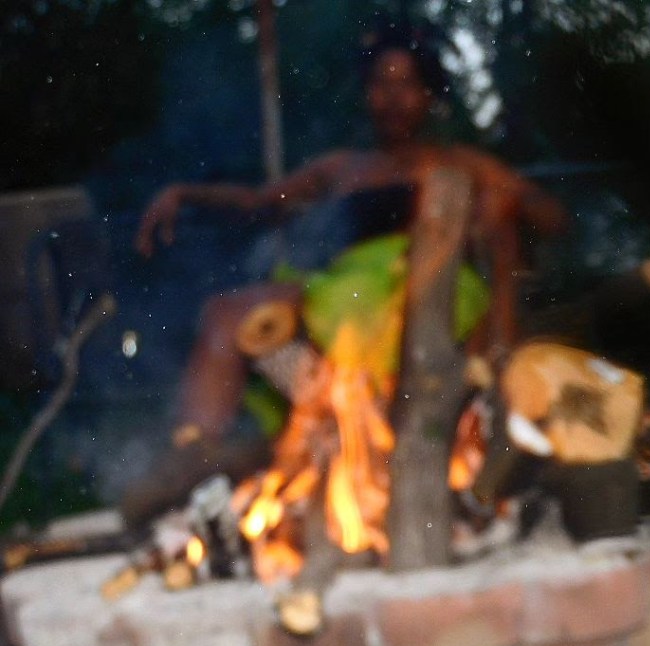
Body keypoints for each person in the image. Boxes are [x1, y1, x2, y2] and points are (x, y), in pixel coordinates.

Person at [123, 22, 568, 521]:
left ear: (429, 94)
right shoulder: (344, 167)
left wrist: (500, 205)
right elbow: (259, 203)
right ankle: (192, 458)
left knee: (374, 307)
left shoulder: (459, 161)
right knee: (228, 311)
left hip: (429, 288)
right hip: (346, 287)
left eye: (406, 84)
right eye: (381, 83)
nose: (393, 98)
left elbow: (549, 215)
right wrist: (184, 193)